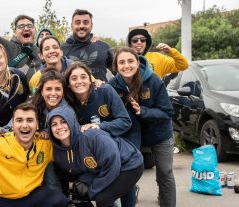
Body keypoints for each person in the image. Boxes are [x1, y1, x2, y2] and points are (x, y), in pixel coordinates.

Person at [110, 47, 176, 207]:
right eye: (122, 62)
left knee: (165, 173)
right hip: (131, 135)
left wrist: (143, 111)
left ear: (138, 62)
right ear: (116, 66)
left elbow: (167, 112)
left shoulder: (153, 80)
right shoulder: (112, 85)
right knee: (128, 172)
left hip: (159, 134)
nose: (126, 65)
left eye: (130, 61)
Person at [47, 105, 144, 207]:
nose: (59, 127)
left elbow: (112, 165)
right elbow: (79, 169)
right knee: (78, 196)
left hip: (129, 164)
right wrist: (84, 182)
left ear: (72, 121)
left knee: (103, 198)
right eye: (54, 124)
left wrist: (92, 190)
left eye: (63, 121)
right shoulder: (57, 150)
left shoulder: (92, 137)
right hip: (101, 168)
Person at [64, 62, 131, 138]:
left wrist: (99, 126)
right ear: (68, 84)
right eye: (74, 78)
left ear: (90, 80)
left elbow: (125, 121)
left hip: (117, 140)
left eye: (83, 77)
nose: (79, 81)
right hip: (89, 143)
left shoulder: (105, 91)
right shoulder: (67, 102)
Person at [62, 9, 114, 82]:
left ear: (91, 26)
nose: (81, 26)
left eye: (86, 22)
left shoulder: (104, 47)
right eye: (77, 23)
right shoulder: (62, 50)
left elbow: (119, 72)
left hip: (101, 93)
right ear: (71, 26)